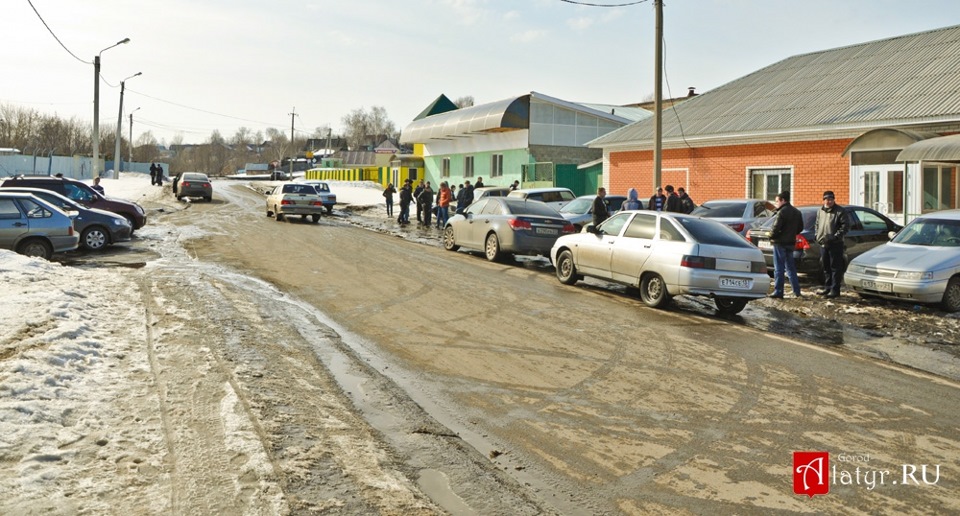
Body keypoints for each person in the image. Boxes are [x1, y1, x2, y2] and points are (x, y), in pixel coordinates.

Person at [768, 191, 804, 299]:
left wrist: (771, 236)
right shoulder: (797, 212)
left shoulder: (781, 212)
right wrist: (791, 233)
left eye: (777, 201)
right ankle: (796, 291)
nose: (776, 204)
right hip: (790, 243)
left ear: (783, 200)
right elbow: (800, 228)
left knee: (779, 268)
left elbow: (775, 228)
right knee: (790, 268)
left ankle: (778, 291)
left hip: (779, 243)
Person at [815, 190, 850, 298]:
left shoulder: (840, 211)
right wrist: (817, 235)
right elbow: (817, 224)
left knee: (835, 267)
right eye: (826, 199)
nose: (828, 201)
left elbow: (845, 227)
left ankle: (835, 290)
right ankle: (827, 287)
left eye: (830, 199)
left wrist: (834, 237)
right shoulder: (820, 210)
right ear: (823, 200)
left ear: (834, 199)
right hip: (823, 243)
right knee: (826, 267)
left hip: (835, 244)